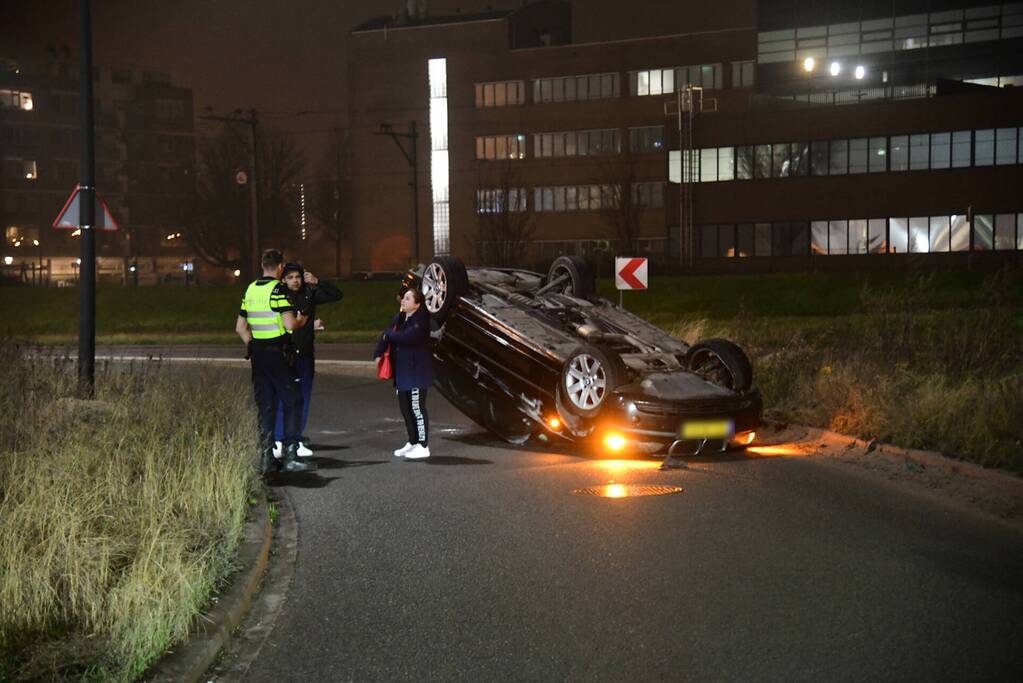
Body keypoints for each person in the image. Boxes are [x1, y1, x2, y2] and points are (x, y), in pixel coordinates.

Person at [235, 249, 316, 476]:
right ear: (280, 267)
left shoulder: (250, 289)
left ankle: (266, 458)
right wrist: (302, 320)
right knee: (293, 399)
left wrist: (252, 343)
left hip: (258, 355)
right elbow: (289, 324)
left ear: (263, 266)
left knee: (266, 405)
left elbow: (240, 327)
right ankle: (290, 455)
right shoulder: (278, 289)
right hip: (278, 353)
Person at [272, 262, 343, 457]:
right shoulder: (278, 295)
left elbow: (336, 295)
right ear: (283, 279)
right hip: (284, 353)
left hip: (304, 353)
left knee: (302, 397)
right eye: (291, 277)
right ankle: (278, 440)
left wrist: (318, 281)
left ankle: (295, 439)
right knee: (282, 397)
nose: (295, 281)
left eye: (298, 277)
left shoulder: (308, 294)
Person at [374, 287, 433, 459]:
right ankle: (412, 441)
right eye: (404, 298)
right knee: (405, 409)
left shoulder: (421, 320)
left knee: (417, 408)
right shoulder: (399, 318)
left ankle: (423, 445)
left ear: (417, 304)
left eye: (408, 298)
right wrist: (378, 353)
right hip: (402, 372)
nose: (403, 301)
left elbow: (408, 337)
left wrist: (389, 335)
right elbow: (385, 336)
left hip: (416, 372)